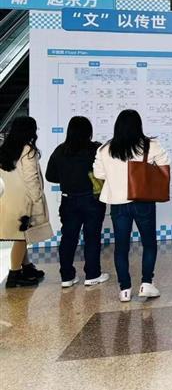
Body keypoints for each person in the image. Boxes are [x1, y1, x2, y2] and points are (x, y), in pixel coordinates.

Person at [93, 110, 170, 302]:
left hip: (118, 204)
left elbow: (98, 174)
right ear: (139, 125)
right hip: (143, 200)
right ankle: (146, 284)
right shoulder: (150, 145)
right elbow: (165, 166)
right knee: (149, 243)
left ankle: (125, 289)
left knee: (121, 247)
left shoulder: (105, 149)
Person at [45, 116, 109, 288]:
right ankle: (92, 275)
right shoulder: (95, 149)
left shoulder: (61, 150)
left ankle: (67, 277)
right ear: (89, 132)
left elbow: (50, 176)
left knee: (68, 238)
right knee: (92, 237)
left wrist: (67, 178)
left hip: (69, 200)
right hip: (92, 200)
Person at [0, 117, 50, 288]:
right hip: (24, 202)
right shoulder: (28, 150)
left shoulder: (5, 149)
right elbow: (31, 178)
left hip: (8, 200)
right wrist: (37, 199)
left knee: (21, 236)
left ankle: (26, 267)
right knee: (21, 238)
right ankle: (14, 275)